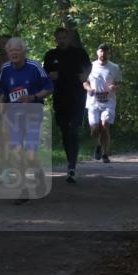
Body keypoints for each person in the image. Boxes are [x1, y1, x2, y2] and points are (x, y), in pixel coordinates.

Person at [0, 37, 53, 203]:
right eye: (11, 51)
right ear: (7, 53)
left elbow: (49, 88)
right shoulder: (5, 69)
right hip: (13, 117)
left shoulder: (34, 67)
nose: (14, 53)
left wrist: (34, 96)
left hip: (33, 114)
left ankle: (38, 173)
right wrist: (1, 104)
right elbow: (3, 91)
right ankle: (23, 189)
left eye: (17, 50)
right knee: (16, 153)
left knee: (29, 155)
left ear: (23, 51)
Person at [43, 27, 90, 184]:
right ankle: (70, 160)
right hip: (60, 98)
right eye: (59, 38)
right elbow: (43, 75)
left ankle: (72, 166)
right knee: (65, 131)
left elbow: (88, 67)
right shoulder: (50, 56)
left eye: (64, 37)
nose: (62, 40)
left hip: (77, 97)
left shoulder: (79, 53)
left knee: (73, 130)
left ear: (68, 38)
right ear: (55, 39)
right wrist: (50, 76)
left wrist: (86, 75)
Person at [84, 43, 122, 168]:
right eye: (101, 51)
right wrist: (89, 88)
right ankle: (98, 145)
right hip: (93, 102)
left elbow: (121, 84)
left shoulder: (114, 67)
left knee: (105, 125)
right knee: (95, 129)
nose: (103, 54)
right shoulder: (91, 66)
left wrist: (115, 87)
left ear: (108, 53)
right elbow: (85, 82)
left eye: (106, 52)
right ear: (97, 52)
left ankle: (105, 154)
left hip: (108, 102)